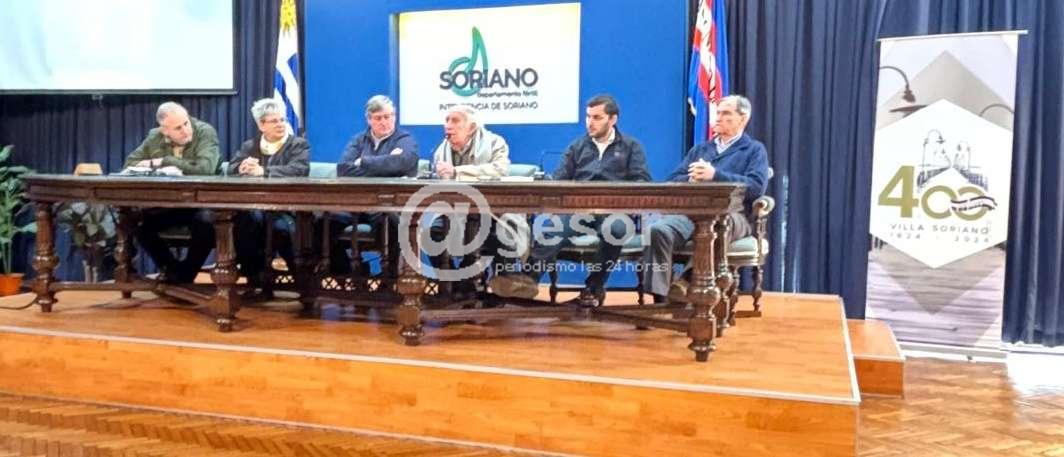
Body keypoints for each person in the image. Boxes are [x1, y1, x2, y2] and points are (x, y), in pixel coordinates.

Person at [491, 94, 651, 304]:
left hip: (615, 211)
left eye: (597, 117)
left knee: (616, 230)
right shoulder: (577, 147)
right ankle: (528, 279)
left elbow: (642, 181)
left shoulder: (631, 147)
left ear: (613, 119)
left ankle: (594, 287)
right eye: (588, 117)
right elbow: (559, 179)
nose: (590, 122)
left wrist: (623, 202)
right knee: (552, 230)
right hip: (579, 211)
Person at [641, 95, 770, 303]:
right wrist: (690, 179)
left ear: (743, 119)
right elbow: (672, 180)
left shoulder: (754, 150)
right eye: (717, 113)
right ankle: (660, 298)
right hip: (692, 212)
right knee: (658, 231)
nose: (718, 118)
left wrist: (715, 175)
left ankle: (685, 282)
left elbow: (756, 187)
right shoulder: (701, 150)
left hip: (733, 215)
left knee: (717, 227)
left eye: (726, 113)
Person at [125, 101, 220, 283]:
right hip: (172, 204)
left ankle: (186, 274)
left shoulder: (204, 132)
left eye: (186, 123)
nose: (185, 130)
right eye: (178, 128)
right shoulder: (155, 136)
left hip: (202, 202)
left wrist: (165, 161)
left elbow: (205, 169)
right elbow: (130, 164)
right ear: (164, 130)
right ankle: (172, 269)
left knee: (205, 222)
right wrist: (154, 164)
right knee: (138, 223)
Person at [327, 95, 418, 277]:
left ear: (394, 117)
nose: (384, 122)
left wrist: (363, 162)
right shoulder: (359, 140)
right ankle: (349, 271)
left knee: (391, 221)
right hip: (356, 204)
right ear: (369, 120)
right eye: (378, 118)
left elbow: (402, 163)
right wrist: (386, 168)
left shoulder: (405, 140)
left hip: (388, 204)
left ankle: (389, 277)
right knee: (324, 220)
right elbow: (343, 169)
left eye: (388, 117)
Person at [427, 105, 511, 296]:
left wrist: (457, 171)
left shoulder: (495, 142)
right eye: (447, 120)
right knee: (431, 233)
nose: (448, 125)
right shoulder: (442, 149)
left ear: (471, 127)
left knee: (479, 230)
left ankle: (470, 284)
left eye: (455, 120)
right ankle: (452, 282)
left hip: (489, 211)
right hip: (451, 211)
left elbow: (500, 170)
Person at [228, 98, 310, 292]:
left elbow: (299, 170)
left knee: (278, 227)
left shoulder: (298, 145)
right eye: (274, 121)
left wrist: (263, 171)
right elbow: (231, 168)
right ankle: (254, 276)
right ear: (261, 125)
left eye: (282, 120)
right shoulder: (250, 146)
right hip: (255, 206)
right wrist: (241, 167)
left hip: (286, 208)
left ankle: (300, 283)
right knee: (245, 220)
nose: (280, 124)